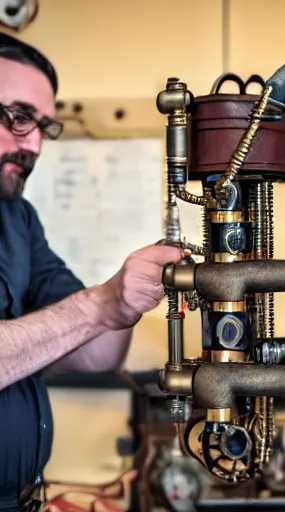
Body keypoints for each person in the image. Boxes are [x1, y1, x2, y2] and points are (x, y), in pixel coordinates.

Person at [0, 33, 181, 510]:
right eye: (18, 118)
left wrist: (124, 303)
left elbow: (96, 354)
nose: (34, 144)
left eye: (43, 127)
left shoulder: (18, 221)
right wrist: (101, 304)